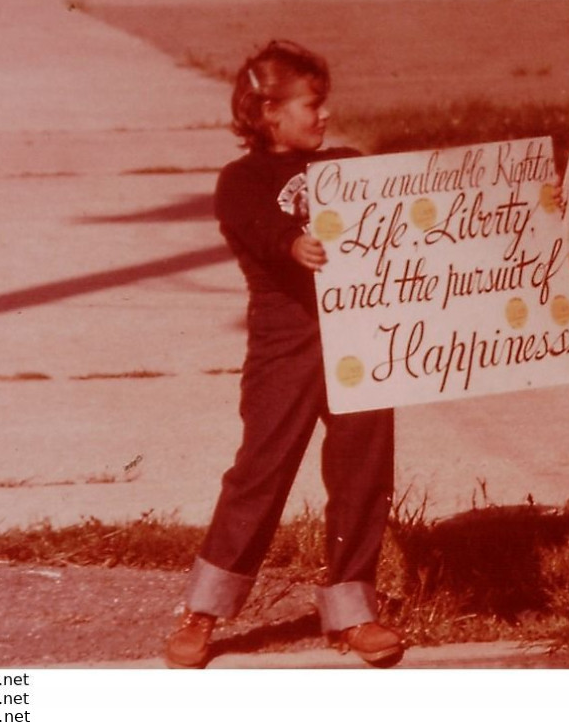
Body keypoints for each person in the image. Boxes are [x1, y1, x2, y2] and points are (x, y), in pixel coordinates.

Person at [164, 40, 402, 668]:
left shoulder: (345, 165)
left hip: (358, 335)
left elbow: (397, 213)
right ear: (269, 111)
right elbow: (261, 231)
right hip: (285, 335)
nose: (324, 115)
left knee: (363, 471)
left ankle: (354, 611)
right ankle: (203, 612)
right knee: (261, 471)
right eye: (312, 104)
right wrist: (294, 245)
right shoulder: (240, 180)